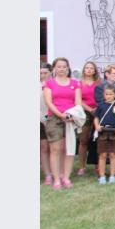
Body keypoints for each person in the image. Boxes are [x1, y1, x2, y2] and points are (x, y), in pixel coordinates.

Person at [42, 57, 82, 190]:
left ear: (68, 68)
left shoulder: (75, 83)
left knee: (68, 149)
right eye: (59, 66)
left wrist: (71, 115)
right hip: (54, 118)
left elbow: (78, 103)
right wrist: (60, 114)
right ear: (54, 68)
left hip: (70, 119)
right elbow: (48, 102)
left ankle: (66, 177)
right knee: (55, 149)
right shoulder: (49, 84)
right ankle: (57, 179)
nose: (62, 69)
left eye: (64, 66)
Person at [93, 84, 115, 184]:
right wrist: (97, 126)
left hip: (114, 132)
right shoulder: (101, 105)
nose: (108, 96)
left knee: (113, 154)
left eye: (110, 94)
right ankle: (102, 176)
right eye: (106, 94)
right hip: (102, 132)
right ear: (104, 94)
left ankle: (112, 175)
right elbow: (96, 117)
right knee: (102, 155)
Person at [76, 61, 101, 176]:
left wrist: (96, 109)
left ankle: (97, 165)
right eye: (87, 68)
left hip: (98, 112)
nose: (89, 70)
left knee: (97, 140)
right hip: (84, 112)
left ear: (95, 70)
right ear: (84, 70)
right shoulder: (79, 83)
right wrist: (89, 109)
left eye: (91, 68)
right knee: (83, 140)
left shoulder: (99, 83)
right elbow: (78, 99)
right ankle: (81, 167)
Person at [40, 63, 54, 185]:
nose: (43, 75)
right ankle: (47, 174)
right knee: (44, 148)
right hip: (40, 121)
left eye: (45, 72)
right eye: (40, 73)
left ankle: (57, 172)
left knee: (54, 148)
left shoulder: (54, 84)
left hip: (53, 119)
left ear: (50, 72)